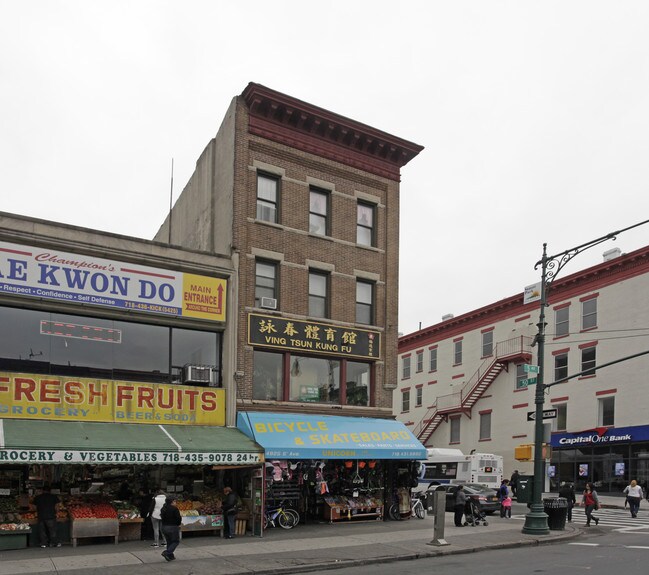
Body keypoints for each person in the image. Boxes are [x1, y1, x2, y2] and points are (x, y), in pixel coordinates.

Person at [160, 497, 182, 561]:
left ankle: (170, 556)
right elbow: (178, 518)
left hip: (164, 527)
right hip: (172, 527)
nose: (176, 503)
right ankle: (167, 552)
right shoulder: (174, 509)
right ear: (172, 502)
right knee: (175, 541)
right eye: (175, 501)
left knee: (169, 541)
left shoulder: (163, 508)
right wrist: (178, 524)